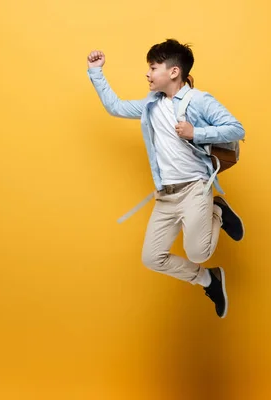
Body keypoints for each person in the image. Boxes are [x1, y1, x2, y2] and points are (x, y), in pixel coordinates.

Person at [86, 39, 245, 318]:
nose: (147, 73)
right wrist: (96, 72)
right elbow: (116, 107)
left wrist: (196, 133)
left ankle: (217, 210)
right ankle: (209, 280)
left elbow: (235, 128)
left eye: (153, 67)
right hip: (165, 195)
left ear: (173, 72)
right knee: (152, 258)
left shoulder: (198, 101)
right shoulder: (151, 105)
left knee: (197, 253)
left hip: (195, 188)